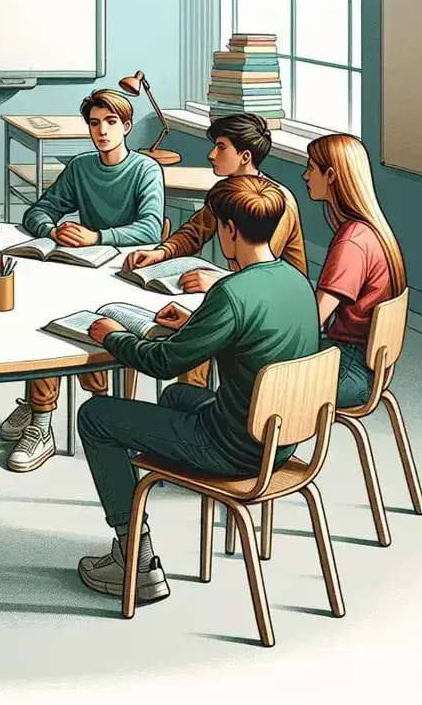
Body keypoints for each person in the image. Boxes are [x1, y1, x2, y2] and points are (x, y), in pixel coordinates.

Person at [75, 175, 319, 604]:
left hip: (232, 448)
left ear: (228, 229)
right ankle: (144, 498)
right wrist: (193, 326)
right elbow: (254, 336)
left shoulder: (231, 291)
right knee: (175, 400)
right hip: (281, 442)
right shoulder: (296, 281)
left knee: (95, 417)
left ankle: (136, 558)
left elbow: (165, 363)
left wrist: (111, 335)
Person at [0, 88, 166, 473]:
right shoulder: (81, 167)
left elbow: (151, 228)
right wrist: (54, 230)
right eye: (94, 123)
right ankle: (41, 416)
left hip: (123, 271)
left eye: (110, 123)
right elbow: (39, 210)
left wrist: (98, 236)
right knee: (45, 314)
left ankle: (79, 408)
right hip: (80, 265)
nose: (102, 131)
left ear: (126, 126)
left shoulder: (145, 170)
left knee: (87, 320)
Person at [123, 112, 307, 390]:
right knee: (192, 327)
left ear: (245, 156)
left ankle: (193, 411)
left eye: (221, 147)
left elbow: (266, 273)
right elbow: (195, 231)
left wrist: (220, 283)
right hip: (246, 296)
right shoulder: (227, 191)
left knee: (196, 336)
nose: (211, 155)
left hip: (275, 314)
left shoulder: (273, 202)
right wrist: (161, 253)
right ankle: (190, 403)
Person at [302, 133, 407, 408]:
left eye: (311, 167)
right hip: (365, 363)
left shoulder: (352, 241)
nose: (305, 175)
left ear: (332, 175)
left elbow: (315, 318)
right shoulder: (374, 231)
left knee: (255, 374)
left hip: (351, 369)